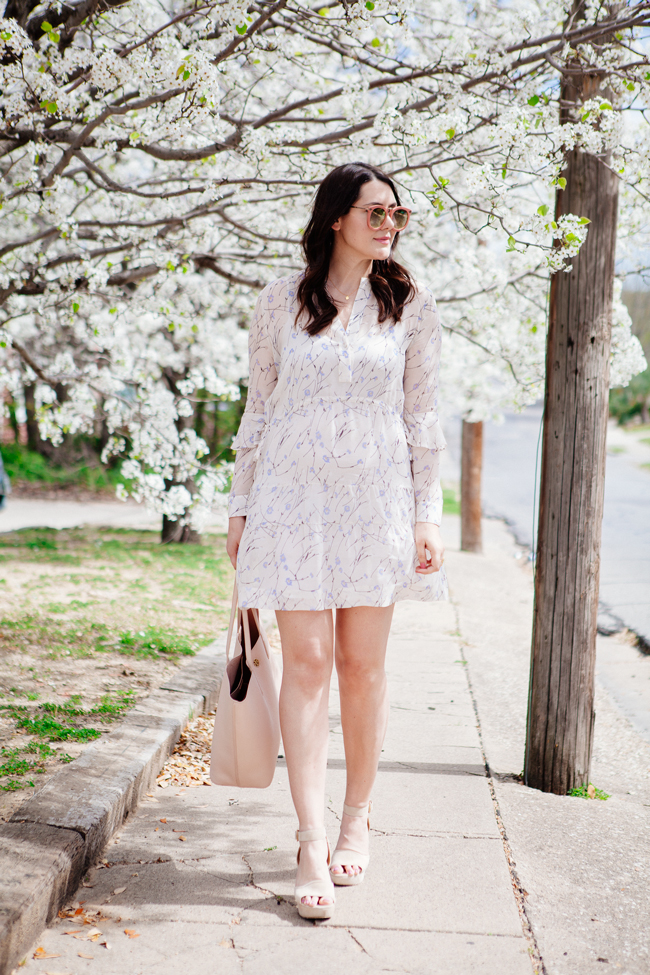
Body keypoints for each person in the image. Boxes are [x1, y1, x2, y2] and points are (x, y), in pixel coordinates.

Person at [226, 162, 446, 921]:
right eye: (377, 211)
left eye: (398, 214)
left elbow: (422, 415)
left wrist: (427, 513)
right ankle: (311, 837)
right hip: (291, 500)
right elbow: (259, 405)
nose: (390, 224)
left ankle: (359, 814)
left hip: (376, 500)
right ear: (335, 219)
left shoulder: (409, 303)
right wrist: (240, 502)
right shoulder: (280, 301)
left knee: (361, 663)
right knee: (309, 660)